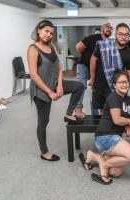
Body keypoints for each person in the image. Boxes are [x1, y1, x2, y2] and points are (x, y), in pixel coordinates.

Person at [27, 20, 84, 161]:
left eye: (51, 33)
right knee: (43, 121)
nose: (49, 35)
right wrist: (50, 92)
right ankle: (44, 152)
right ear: (38, 30)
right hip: (40, 90)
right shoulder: (33, 49)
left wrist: (59, 86)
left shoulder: (51, 46)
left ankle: (69, 113)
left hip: (54, 83)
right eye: (46, 31)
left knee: (79, 86)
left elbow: (59, 66)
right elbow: (34, 75)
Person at [78, 71, 130, 185]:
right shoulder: (113, 97)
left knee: (116, 173)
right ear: (114, 85)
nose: (125, 84)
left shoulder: (128, 99)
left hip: (115, 136)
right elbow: (117, 119)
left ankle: (93, 156)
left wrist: (129, 124)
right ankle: (104, 165)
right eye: (121, 82)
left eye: (126, 82)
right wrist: (128, 122)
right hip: (105, 136)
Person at [89, 23, 130, 113]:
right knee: (102, 110)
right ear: (115, 35)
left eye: (126, 35)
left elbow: (129, 75)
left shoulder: (129, 54)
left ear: (129, 36)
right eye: (120, 34)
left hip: (114, 88)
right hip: (99, 85)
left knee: (115, 112)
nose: (123, 37)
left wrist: (124, 91)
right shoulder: (105, 45)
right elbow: (93, 59)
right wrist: (92, 78)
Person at [74, 23, 113, 118]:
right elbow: (78, 47)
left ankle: (96, 115)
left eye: (111, 28)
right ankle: (78, 109)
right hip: (84, 65)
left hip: (96, 68)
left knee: (96, 90)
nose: (109, 29)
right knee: (81, 86)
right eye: (107, 27)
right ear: (101, 29)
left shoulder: (109, 42)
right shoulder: (93, 37)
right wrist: (86, 57)